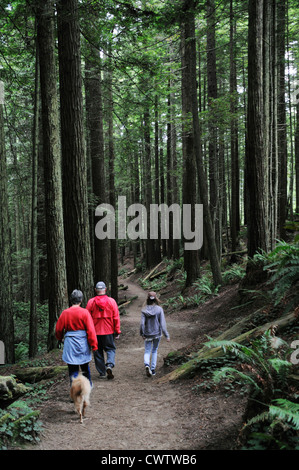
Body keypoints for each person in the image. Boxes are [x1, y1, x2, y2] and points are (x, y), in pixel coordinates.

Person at [55, 289, 98, 387]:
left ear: (71, 300)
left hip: (70, 343)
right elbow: (91, 330)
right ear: (81, 300)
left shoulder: (65, 313)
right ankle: (87, 387)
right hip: (82, 342)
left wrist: (59, 338)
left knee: (73, 368)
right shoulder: (85, 313)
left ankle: (74, 391)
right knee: (84, 367)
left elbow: (58, 329)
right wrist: (94, 345)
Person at [86, 281, 121, 379]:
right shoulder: (112, 301)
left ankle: (102, 373)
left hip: (95, 332)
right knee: (110, 349)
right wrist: (117, 331)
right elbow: (116, 317)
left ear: (95, 290)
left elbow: (87, 318)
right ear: (105, 289)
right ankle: (109, 364)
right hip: (108, 331)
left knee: (97, 352)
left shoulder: (90, 302)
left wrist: (88, 332)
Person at [140, 291, 170, 377]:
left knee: (147, 350)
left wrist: (142, 333)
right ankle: (152, 370)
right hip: (157, 333)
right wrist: (166, 335)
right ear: (156, 298)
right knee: (154, 350)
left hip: (148, 334)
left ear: (147, 298)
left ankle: (147, 365)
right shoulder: (159, 309)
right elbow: (162, 324)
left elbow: (142, 324)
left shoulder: (144, 309)